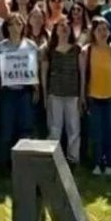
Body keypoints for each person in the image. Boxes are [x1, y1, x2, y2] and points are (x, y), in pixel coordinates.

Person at [81, 17, 111, 176]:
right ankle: (97, 162)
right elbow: (83, 76)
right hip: (94, 95)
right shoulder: (87, 51)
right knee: (96, 131)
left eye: (106, 29)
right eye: (99, 30)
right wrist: (83, 96)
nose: (103, 33)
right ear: (93, 32)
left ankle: (110, 163)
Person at [41, 16, 81, 164]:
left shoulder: (77, 49)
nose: (64, 28)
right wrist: (45, 95)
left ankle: (73, 158)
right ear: (55, 30)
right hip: (55, 93)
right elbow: (44, 74)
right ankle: (53, 158)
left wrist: (81, 94)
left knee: (74, 128)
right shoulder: (48, 50)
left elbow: (81, 72)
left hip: (73, 93)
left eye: (67, 26)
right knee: (55, 128)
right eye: (61, 26)